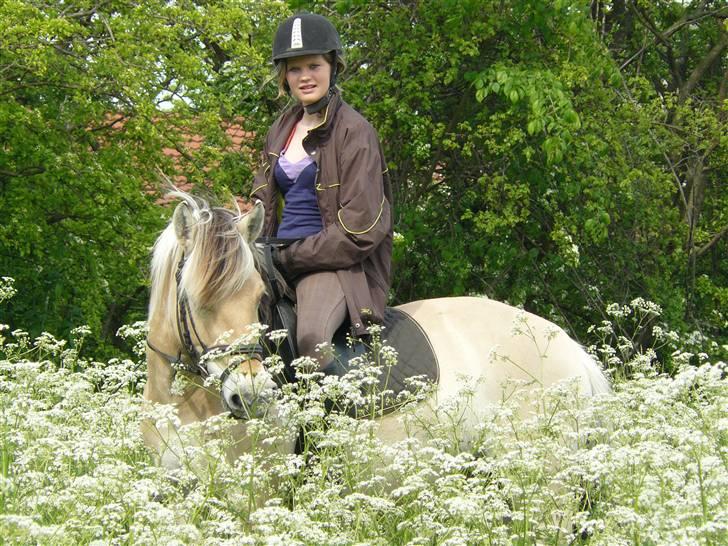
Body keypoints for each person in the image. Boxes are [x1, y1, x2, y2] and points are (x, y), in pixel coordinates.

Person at [249, 13, 393, 369]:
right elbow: (259, 203)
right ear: (284, 75)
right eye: (294, 69)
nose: (305, 77)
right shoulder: (279, 130)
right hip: (275, 262)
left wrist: (288, 257)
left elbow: (361, 230)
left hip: (334, 267)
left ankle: (337, 424)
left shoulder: (355, 132)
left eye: (314, 65)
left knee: (311, 338)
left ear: (333, 66)